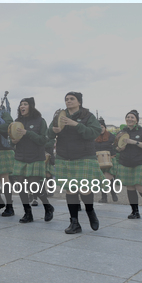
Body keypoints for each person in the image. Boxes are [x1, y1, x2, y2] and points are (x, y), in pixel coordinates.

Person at [48, 92, 103, 234]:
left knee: (85, 189)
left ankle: (90, 212)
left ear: (79, 101)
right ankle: (74, 222)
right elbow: (49, 134)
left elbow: (94, 133)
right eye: (66, 99)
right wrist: (54, 130)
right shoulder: (59, 115)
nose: (68, 101)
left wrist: (76, 125)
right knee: (70, 190)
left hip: (84, 156)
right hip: (64, 156)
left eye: (72, 99)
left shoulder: (87, 116)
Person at [10, 97, 54, 223]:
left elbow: (43, 140)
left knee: (34, 186)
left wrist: (27, 133)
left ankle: (48, 207)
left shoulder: (40, 121)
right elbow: (11, 139)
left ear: (31, 106)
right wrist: (13, 141)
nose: (22, 106)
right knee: (21, 187)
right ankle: (27, 213)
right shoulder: (17, 121)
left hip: (35, 157)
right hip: (20, 157)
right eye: (20, 104)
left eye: (25, 104)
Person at [113, 110, 142, 219]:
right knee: (130, 187)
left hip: (140, 162)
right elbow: (115, 147)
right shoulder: (121, 132)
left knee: (140, 187)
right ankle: (135, 211)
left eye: (132, 117)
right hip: (125, 162)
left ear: (136, 120)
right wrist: (119, 148)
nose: (129, 119)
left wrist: (133, 142)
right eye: (128, 117)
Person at [95, 118, 118, 203]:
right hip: (99, 160)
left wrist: (113, 154)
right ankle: (104, 197)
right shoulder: (94, 137)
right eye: (98, 127)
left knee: (107, 178)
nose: (100, 129)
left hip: (110, 159)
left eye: (102, 127)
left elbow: (116, 147)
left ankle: (113, 193)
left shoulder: (111, 136)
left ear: (104, 127)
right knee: (102, 179)